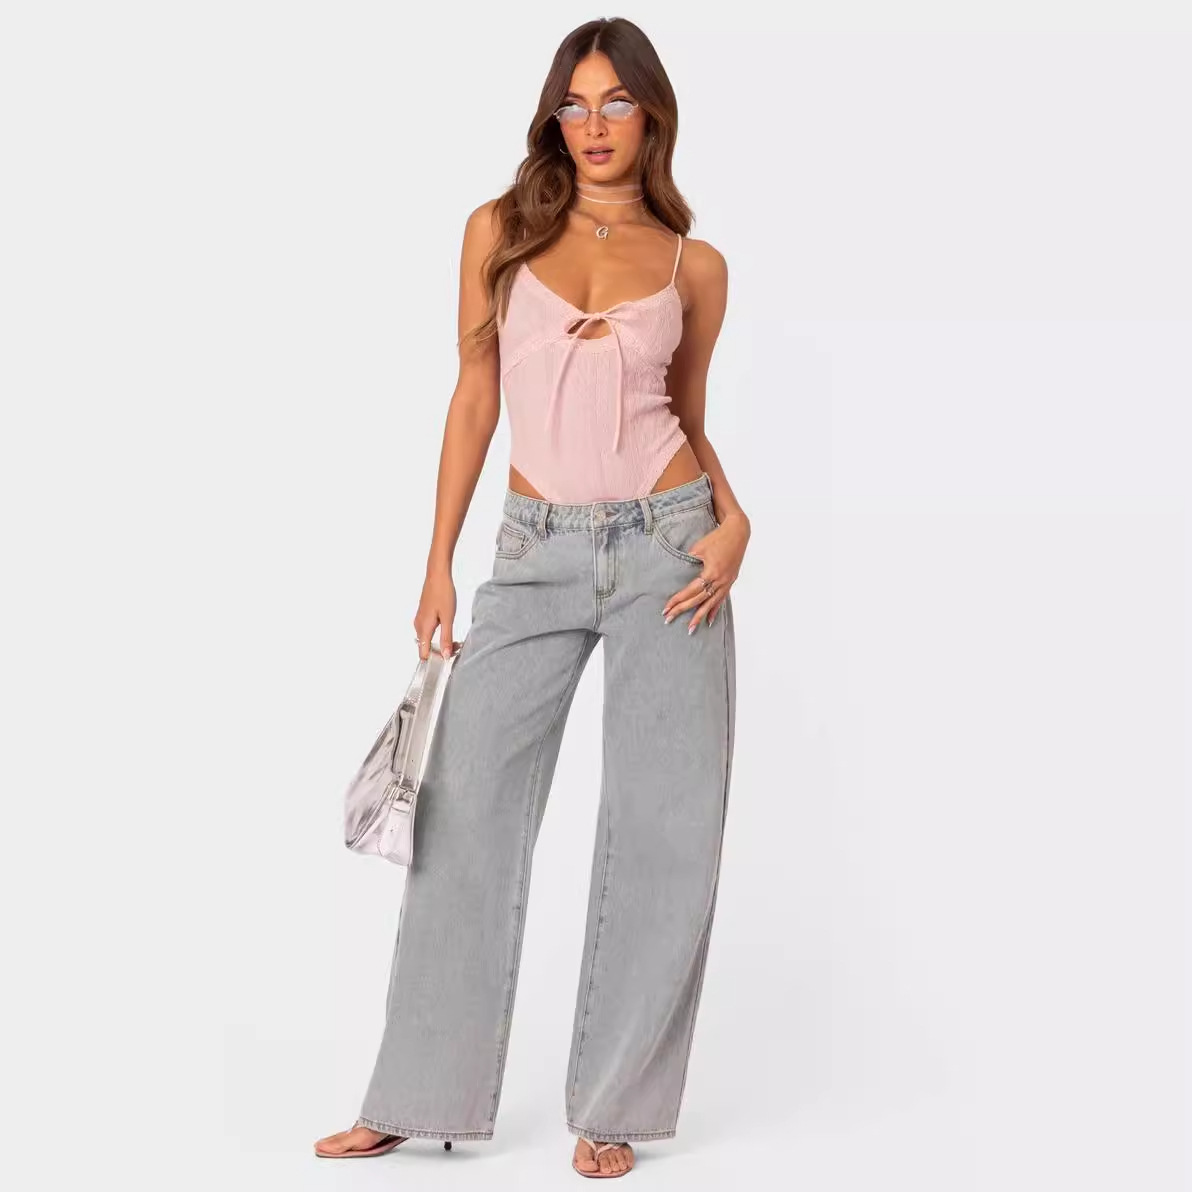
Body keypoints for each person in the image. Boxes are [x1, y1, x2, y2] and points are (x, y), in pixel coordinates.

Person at [315, 15, 751, 1180]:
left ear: (651, 115)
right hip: (532, 550)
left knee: (665, 826)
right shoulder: (499, 230)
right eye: (575, 104)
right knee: (461, 816)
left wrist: (735, 517)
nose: (595, 125)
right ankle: (415, 1095)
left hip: (672, 551)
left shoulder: (692, 265)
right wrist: (437, 559)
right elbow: (473, 395)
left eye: (617, 103)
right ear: (554, 117)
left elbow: (687, 416)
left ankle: (614, 1108)